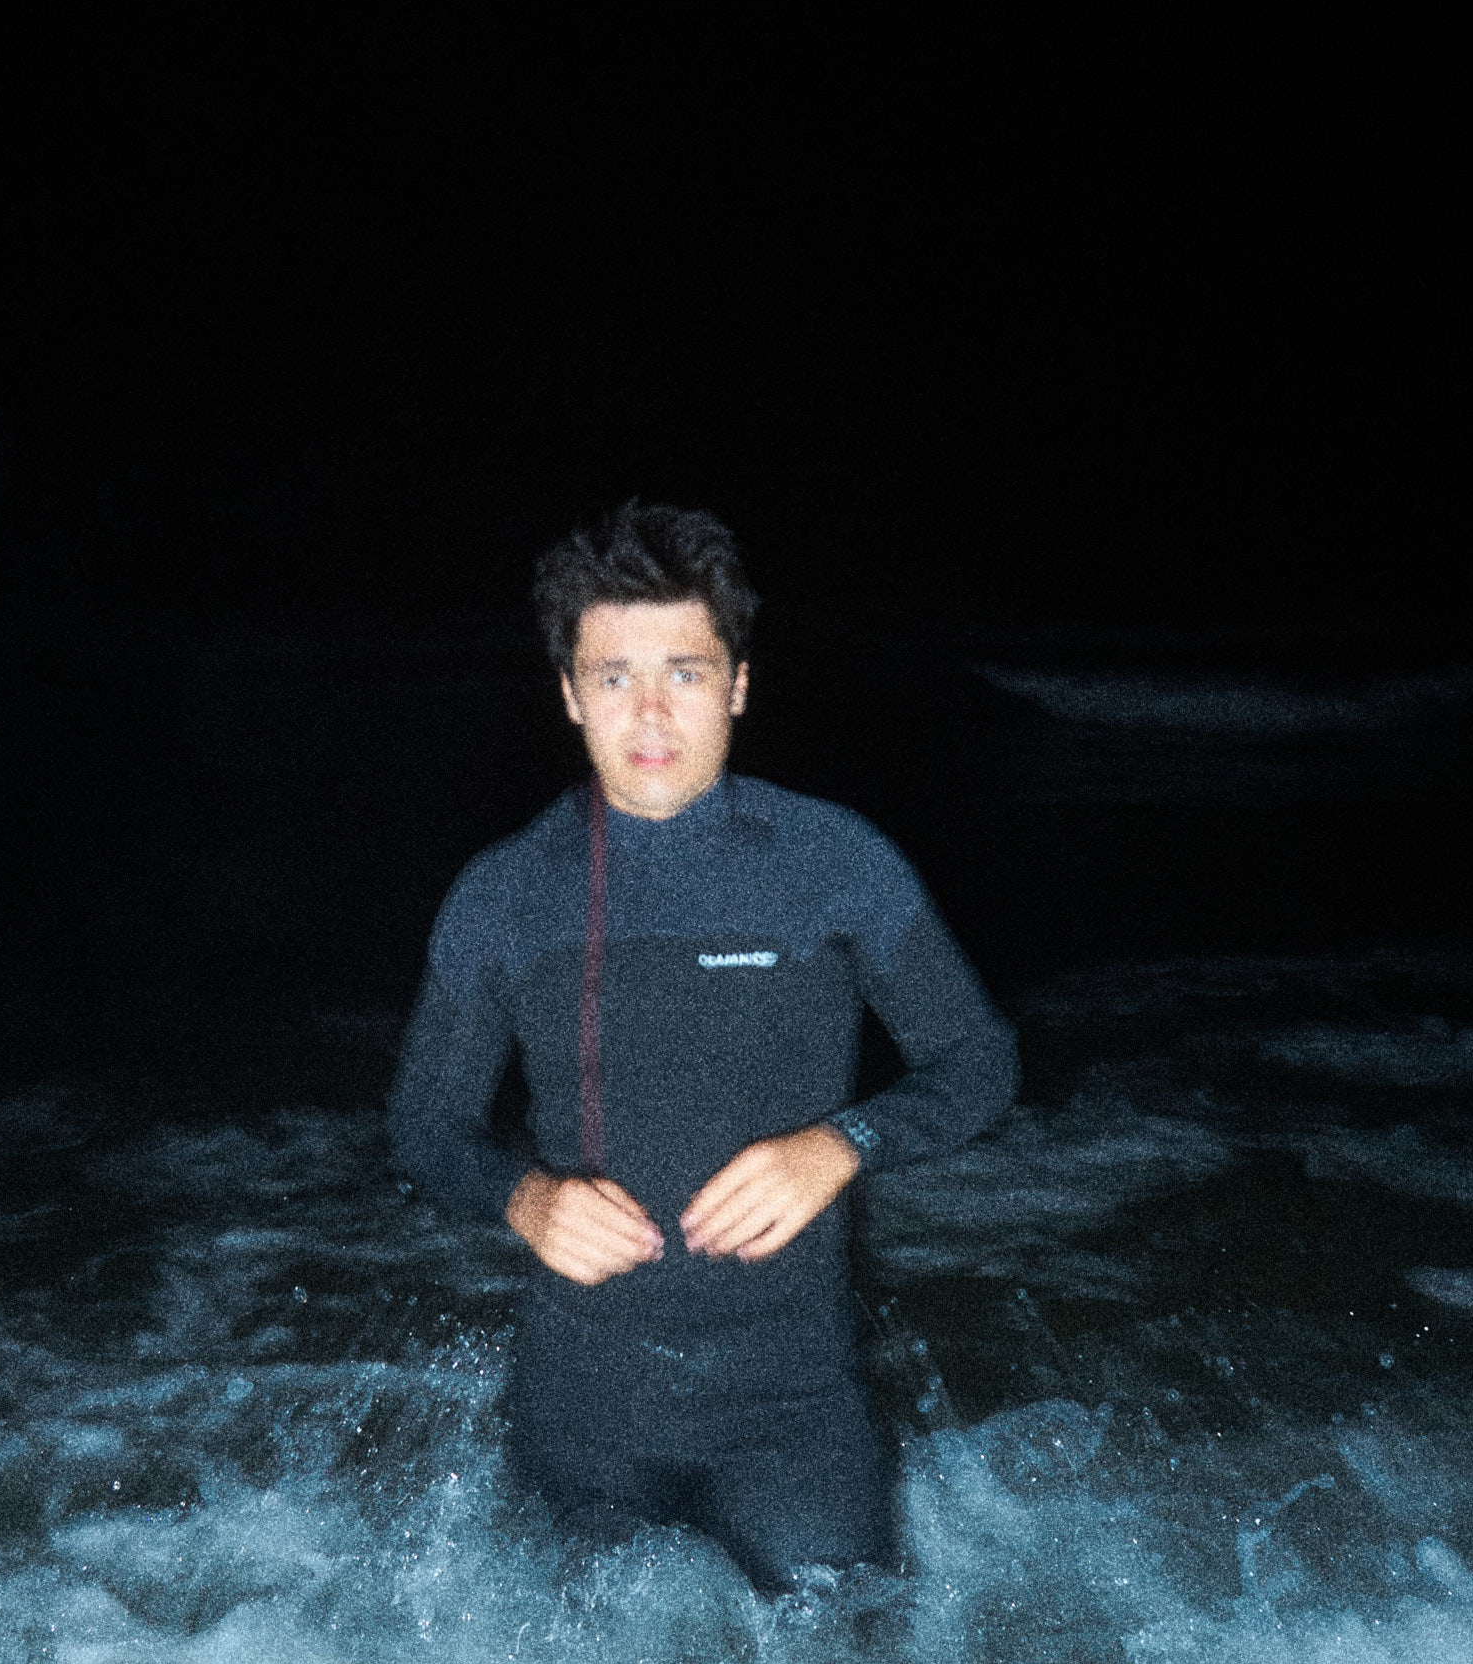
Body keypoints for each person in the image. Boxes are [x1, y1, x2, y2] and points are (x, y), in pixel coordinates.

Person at [387, 500, 1017, 1590]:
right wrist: (523, 1198)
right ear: (570, 694)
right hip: (579, 1407)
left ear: (736, 685)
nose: (649, 712)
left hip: (794, 1411)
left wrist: (842, 1143)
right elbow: (424, 1126)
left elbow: (979, 1062)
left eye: (683, 672)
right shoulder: (504, 895)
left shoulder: (834, 863)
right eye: (613, 676)